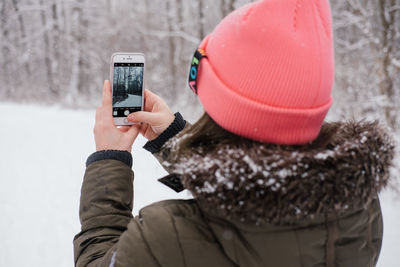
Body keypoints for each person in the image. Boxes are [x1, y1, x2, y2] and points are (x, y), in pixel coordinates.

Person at [73, 0, 395, 266]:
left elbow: (97, 259)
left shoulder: (164, 238)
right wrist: (172, 138)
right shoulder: (358, 206)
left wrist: (110, 160)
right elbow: (257, 184)